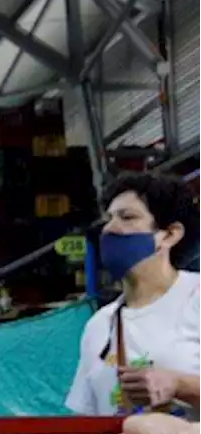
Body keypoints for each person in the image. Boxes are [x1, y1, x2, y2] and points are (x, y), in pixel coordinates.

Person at [67, 172, 201, 420]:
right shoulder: (99, 326)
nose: (109, 228)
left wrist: (179, 385)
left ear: (169, 235)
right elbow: (88, 429)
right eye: (108, 218)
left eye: (127, 217)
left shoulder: (195, 298)